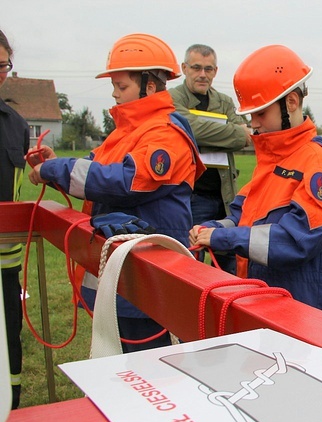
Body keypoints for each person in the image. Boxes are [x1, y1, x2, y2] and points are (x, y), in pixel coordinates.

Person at [28, 33, 205, 353]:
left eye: (121, 87)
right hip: (124, 274)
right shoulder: (129, 132)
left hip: (151, 278)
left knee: (151, 372)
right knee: (118, 364)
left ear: (150, 85)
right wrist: (55, 171)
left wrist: (55, 171)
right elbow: (92, 169)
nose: (114, 95)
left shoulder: (165, 133)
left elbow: (124, 181)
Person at [190, 45, 322, 312]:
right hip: (268, 302)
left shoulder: (315, 163)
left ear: (291, 103)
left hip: (303, 311)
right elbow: (240, 218)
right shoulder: (271, 163)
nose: (253, 123)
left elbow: (296, 242)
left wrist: (221, 239)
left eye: (260, 113)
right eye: (251, 115)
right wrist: (210, 228)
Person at [169, 44, 253, 275]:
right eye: (196, 68)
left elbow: (244, 140)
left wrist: (207, 134)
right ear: (184, 68)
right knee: (190, 261)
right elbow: (186, 126)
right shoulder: (171, 98)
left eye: (208, 69)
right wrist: (231, 133)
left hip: (225, 196)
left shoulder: (224, 102)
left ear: (216, 71)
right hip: (192, 196)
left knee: (229, 261)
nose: (202, 74)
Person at [0, 29, 29, 409]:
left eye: (2, 65)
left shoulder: (17, 125)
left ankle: (12, 401)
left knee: (9, 335)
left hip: (5, 264)